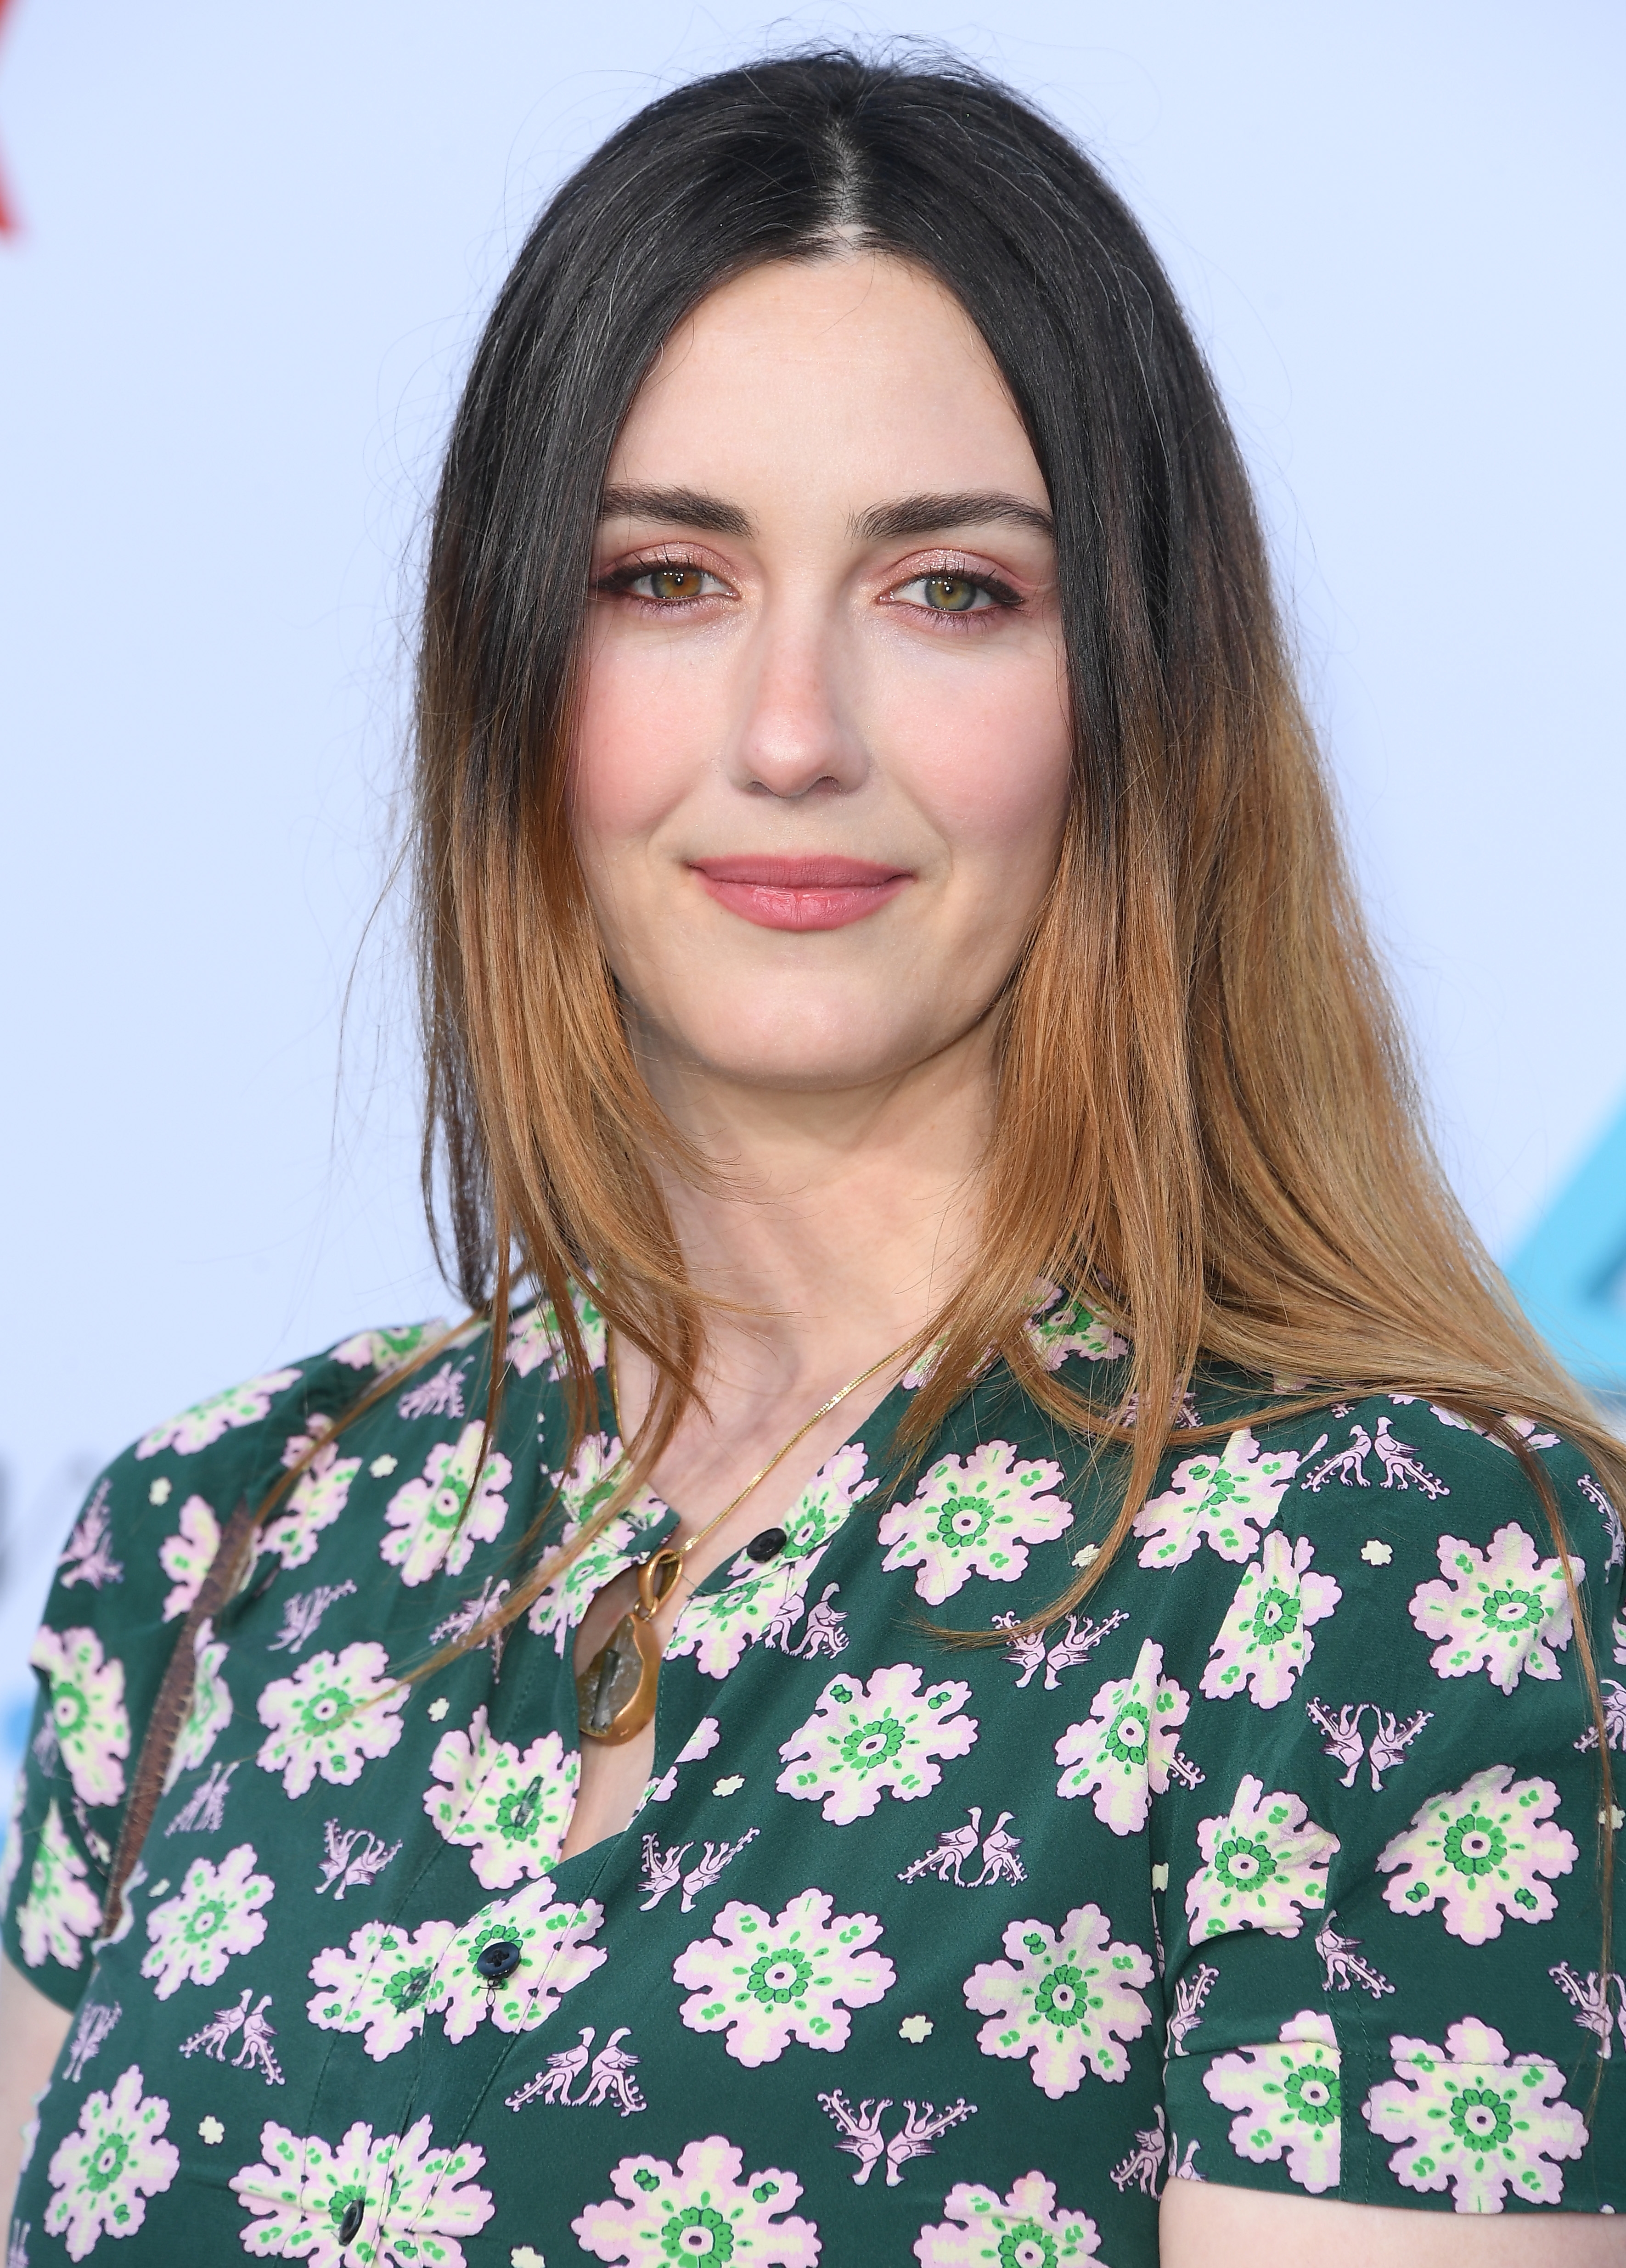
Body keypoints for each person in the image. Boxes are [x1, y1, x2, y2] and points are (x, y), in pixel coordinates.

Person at [3, 47, 1622, 2268]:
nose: (791, 734)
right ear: (509, 668)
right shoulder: (219, 1540)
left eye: (948, 589)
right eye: (666, 577)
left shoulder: (1383, 1577)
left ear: (1137, 693)